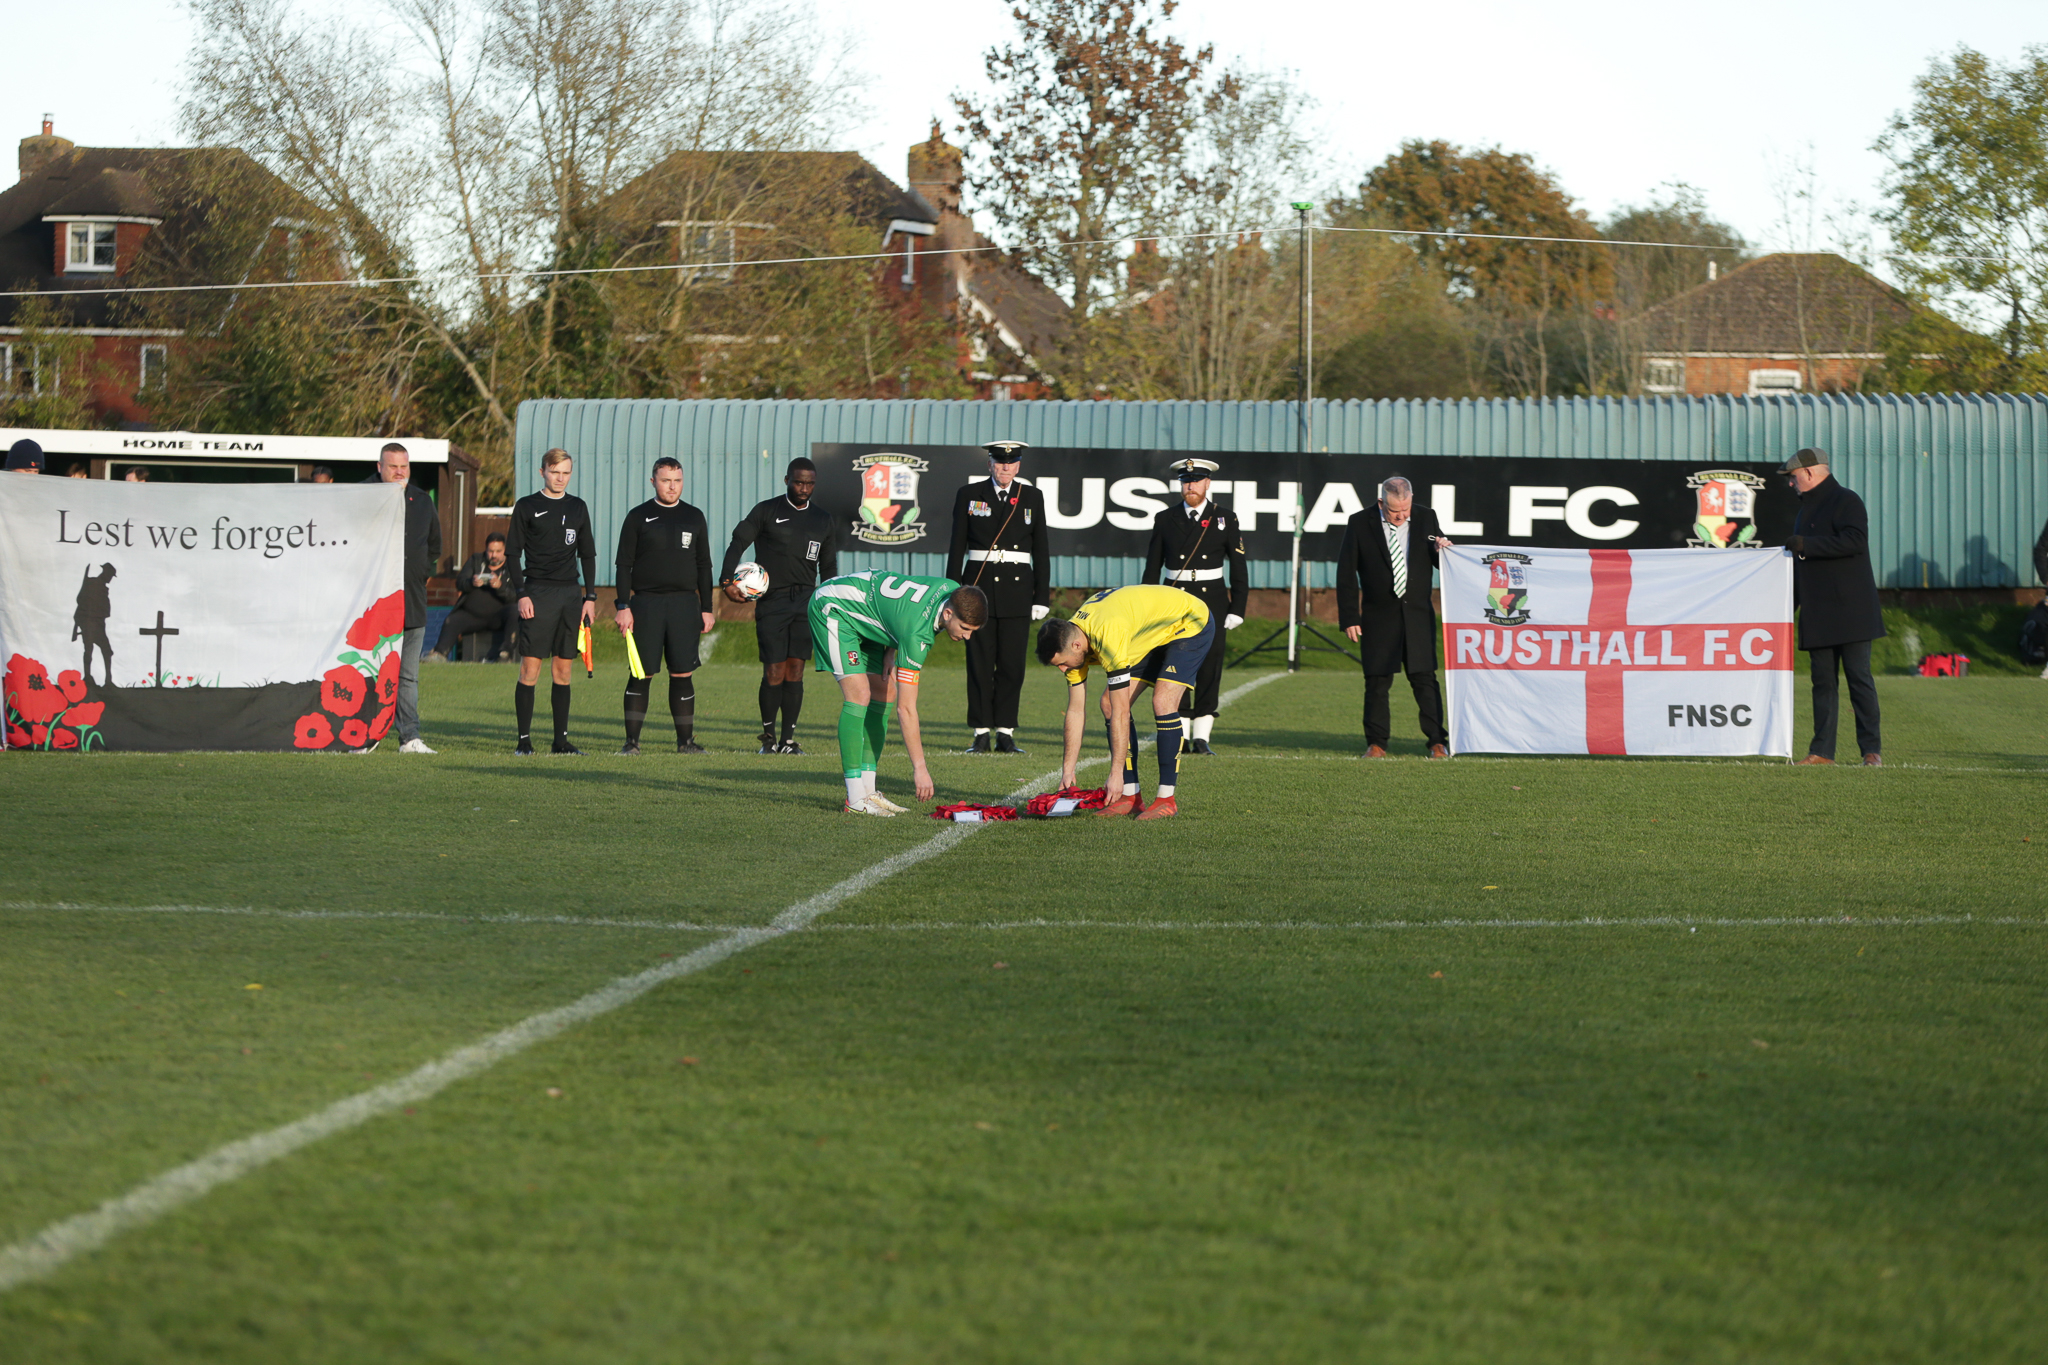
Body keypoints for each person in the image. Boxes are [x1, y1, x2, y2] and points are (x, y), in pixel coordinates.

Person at [808, 572, 987, 815]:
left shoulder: (952, 589)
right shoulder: (916, 634)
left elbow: (900, 609)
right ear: (947, 614)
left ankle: (868, 791)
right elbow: (907, 710)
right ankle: (855, 798)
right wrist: (920, 769)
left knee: (885, 693)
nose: (967, 636)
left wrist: (891, 651)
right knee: (859, 694)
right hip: (834, 606)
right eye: (965, 628)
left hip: (869, 614)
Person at [1036, 584, 1212, 821]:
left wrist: (1115, 772)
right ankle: (1131, 797)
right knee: (1108, 703)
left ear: (1077, 645)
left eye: (1062, 663)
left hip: (1189, 622)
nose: (1062, 669)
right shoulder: (1071, 638)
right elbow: (1076, 710)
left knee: (1162, 701)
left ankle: (1166, 800)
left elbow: (1122, 711)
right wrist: (1068, 770)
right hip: (1149, 635)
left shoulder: (1107, 636)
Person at [721, 457, 838, 754]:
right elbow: (738, 542)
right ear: (787, 480)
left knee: (796, 669)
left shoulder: (823, 519)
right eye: (798, 482)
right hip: (772, 600)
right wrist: (726, 581)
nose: (804, 488)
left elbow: (828, 566)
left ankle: (788, 741)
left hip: (806, 601)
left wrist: (830, 600)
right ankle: (768, 739)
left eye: (810, 484)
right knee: (774, 670)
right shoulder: (766, 511)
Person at [945, 439, 1049, 754]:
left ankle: (1005, 731)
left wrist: (1041, 596)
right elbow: (956, 546)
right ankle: (980, 732)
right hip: (978, 591)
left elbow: (1041, 550)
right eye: (1000, 462)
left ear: (1018, 465)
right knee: (979, 664)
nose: (1005, 467)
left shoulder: (1031, 496)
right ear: (989, 463)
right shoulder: (969, 494)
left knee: (1011, 666)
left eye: (1011, 462)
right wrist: (951, 592)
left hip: (1018, 592)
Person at [1336, 476, 1452, 759]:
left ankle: (1437, 742)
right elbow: (1346, 572)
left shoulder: (1427, 517)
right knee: (1377, 682)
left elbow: (1439, 562)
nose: (1401, 516)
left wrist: (1444, 550)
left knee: (1425, 680)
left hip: (1418, 616)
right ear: (1381, 503)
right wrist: (1350, 617)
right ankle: (1376, 744)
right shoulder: (1359, 523)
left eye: (1405, 509)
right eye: (1394, 511)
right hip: (1378, 617)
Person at [1783, 446, 1884, 766]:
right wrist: (1788, 607)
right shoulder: (1804, 510)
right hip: (1817, 611)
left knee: (1859, 678)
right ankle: (1821, 751)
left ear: (1809, 472)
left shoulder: (1846, 500)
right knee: (1822, 683)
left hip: (1852, 609)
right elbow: (1800, 566)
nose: (1791, 483)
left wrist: (1807, 544)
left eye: (1793, 476)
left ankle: (1871, 750)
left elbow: (1855, 540)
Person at [1142, 458, 1248, 755]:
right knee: (1177, 663)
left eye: (1197, 480)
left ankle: (1201, 738)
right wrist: (1148, 605)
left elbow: (1239, 566)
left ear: (1207, 483)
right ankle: (1180, 735)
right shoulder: (1165, 518)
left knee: (1210, 665)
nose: (1191, 486)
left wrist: (1237, 608)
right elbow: (1152, 567)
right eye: (1186, 481)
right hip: (1174, 599)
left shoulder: (1225, 517)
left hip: (1212, 598)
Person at [615, 457, 714, 755]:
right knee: (641, 673)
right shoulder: (638, 516)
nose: (672, 486)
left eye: (677, 480)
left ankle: (686, 742)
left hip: (685, 604)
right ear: (653, 481)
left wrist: (707, 607)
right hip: (646, 604)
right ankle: (631, 743)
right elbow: (623, 565)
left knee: (682, 673)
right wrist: (623, 605)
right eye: (666, 480)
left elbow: (704, 565)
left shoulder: (694, 516)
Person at [506, 448, 597, 755]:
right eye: (555, 472)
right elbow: (512, 554)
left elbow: (587, 554)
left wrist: (590, 597)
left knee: (563, 671)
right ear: (542, 472)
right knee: (530, 670)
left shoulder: (578, 507)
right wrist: (522, 593)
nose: (560, 478)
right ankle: (523, 742)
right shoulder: (527, 506)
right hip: (537, 594)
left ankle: (561, 742)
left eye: (566, 473)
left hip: (570, 595)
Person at [366, 442, 443, 755]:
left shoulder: (423, 501)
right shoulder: (361, 497)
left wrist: (419, 574)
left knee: (408, 677)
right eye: (393, 466)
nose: (399, 472)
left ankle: (409, 738)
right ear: (379, 467)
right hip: (371, 605)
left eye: (404, 466)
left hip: (411, 601)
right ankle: (361, 737)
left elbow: (434, 547)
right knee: (368, 673)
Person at [429, 533, 514, 662]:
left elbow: (515, 596)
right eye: (491, 551)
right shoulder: (476, 560)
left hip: (499, 616)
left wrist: (500, 587)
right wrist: (471, 582)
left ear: (505, 550)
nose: (494, 555)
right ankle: (440, 653)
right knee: (452, 620)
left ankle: (505, 654)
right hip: (472, 615)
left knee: (515, 611)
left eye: (498, 551)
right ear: (485, 549)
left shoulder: (512, 566)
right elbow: (460, 583)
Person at [73, 563, 116, 687]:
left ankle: (108, 680)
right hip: (90, 622)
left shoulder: (101, 586)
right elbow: (80, 600)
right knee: (90, 650)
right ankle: (88, 677)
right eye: (110, 575)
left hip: (99, 623)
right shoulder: (92, 583)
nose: (111, 578)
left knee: (105, 651)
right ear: (106, 573)